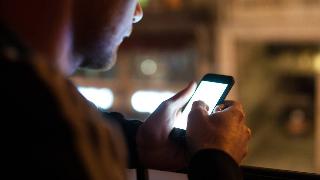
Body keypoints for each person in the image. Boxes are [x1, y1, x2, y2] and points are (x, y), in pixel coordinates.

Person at [0, 0, 251, 179]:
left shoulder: (34, 95)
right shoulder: (48, 124)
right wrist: (218, 162)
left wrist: (137, 142)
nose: (138, 12)